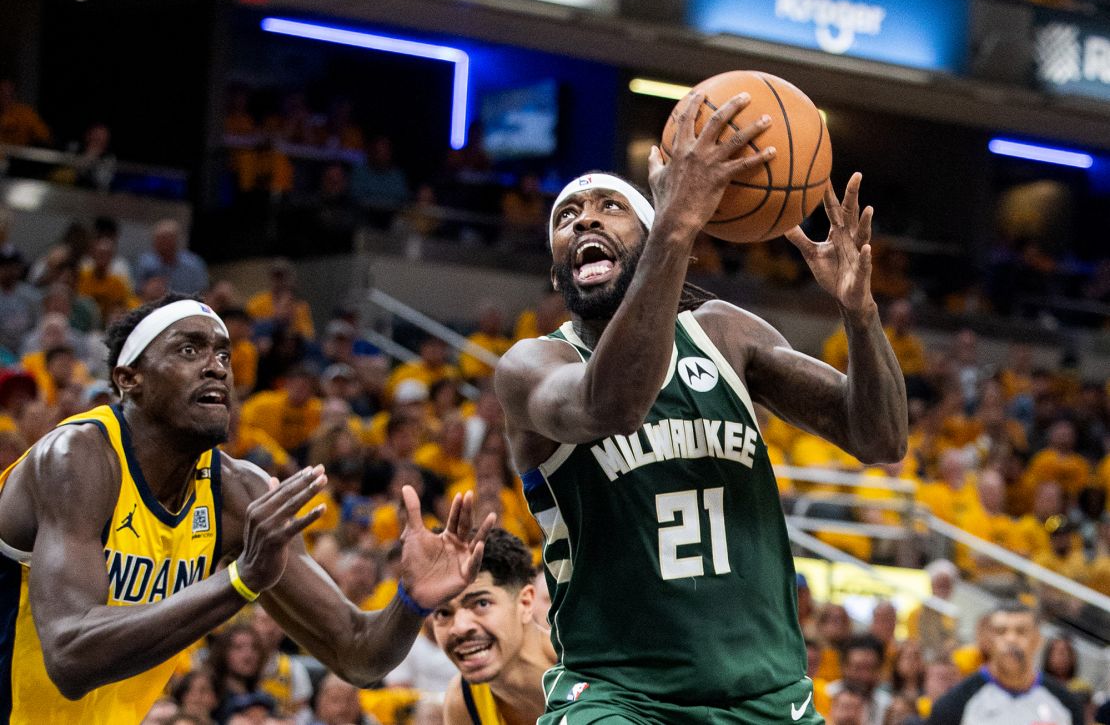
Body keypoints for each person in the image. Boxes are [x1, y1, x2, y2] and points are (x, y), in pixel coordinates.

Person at [494, 93, 907, 722]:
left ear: (645, 232)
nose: (584, 221)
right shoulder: (533, 366)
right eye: (567, 216)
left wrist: (860, 312)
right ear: (556, 274)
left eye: (611, 207)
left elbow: (879, 438)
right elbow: (613, 405)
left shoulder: (724, 334)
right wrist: (677, 225)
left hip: (766, 696)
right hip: (619, 697)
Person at [0, 294, 494, 724]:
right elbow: (70, 656)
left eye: (223, 353)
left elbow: (357, 654)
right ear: (130, 379)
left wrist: (410, 604)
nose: (215, 365)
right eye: (189, 349)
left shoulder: (238, 493)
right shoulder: (77, 459)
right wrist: (240, 579)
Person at [431, 528, 556, 725]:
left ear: (525, 603)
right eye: (443, 612)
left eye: (481, 603)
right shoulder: (463, 702)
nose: (460, 627)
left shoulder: (593, 668)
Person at [926, 601, 1083, 725]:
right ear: (988, 640)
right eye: (1001, 631)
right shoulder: (954, 705)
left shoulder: (1066, 705)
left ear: (1038, 640)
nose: (1011, 639)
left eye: (1021, 631)